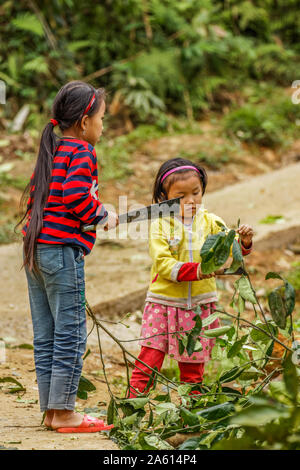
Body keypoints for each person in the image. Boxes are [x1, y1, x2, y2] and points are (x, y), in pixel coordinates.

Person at [16, 81, 118, 433]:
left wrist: (93, 213)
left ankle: (51, 409)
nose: (103, 126)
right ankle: (64, 412)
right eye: (102, 118)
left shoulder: (53, 152)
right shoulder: (82, 152)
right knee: (71, 333)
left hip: (36, 253)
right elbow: (76, 196)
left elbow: (40, 202)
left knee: (47, 335)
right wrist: (100, 214)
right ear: (85, 121)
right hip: (61, 254)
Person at [128, 157, 254, 398]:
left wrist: (244, 241)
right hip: (162, 303)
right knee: (149, 361)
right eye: (182, 195)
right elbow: (164, 264)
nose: (191, 200)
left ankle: (190, 417)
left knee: (193, 369)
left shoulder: (211, 221)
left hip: (198, 308)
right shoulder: (161, 225)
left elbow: (230, 246)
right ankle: (130, 409)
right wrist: (198, 270)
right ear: (165, 198)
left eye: (196, 193)